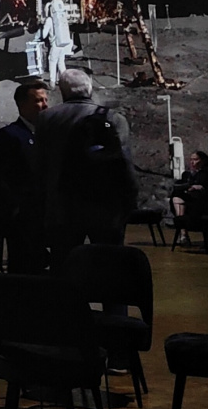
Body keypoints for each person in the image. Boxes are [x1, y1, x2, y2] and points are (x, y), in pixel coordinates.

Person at [34, 67, 137, 269]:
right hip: (106, 206)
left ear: (63, 91)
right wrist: (129, 201)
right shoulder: (114, 119)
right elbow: (124, 164)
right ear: (90, 89)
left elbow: (40, 166)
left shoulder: (47, 119)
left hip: (64, 206)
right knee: (110, 266)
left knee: (64, 265)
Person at [0, 77, 50, 273]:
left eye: (45, 100)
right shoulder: (10, 135)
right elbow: (1, 177)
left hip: (47, 213)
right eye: (38, 100)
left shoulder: (49, 134)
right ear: (22, 105)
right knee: (23, 266)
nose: (44, 105)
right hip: (23, 217)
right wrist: (14, 211)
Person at [170, 150, 208, 219]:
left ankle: (181, 221)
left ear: (203, 161)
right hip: (187, 200)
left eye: (195, 159)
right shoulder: (186, 175)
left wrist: (201, 188)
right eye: (191, 160)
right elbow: (179, 186)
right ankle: (181, 221)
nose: (192, 162)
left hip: (203, 203)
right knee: (177, 196)